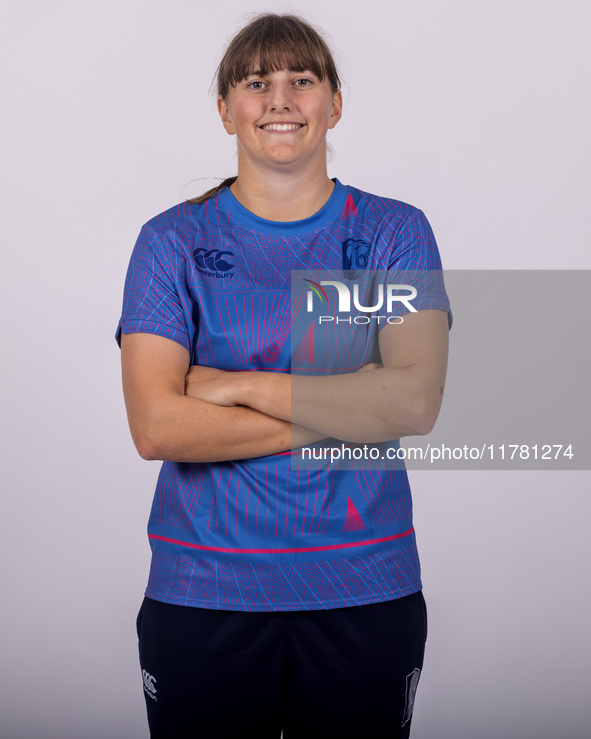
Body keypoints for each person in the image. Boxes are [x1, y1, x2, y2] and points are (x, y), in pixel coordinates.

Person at [117, 12, 450, 739]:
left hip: (364, 585)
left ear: (334, 104)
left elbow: (414, 400)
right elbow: (158, 426)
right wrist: (350, 402)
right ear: (224, 109)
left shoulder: (394, 232)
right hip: (205, 590)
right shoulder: (170, 241)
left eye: (303, 80)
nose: (279, 100)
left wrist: (233, 384)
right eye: (255, 82)